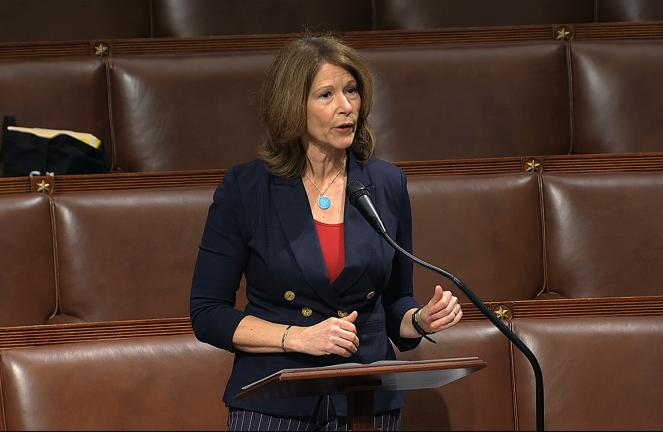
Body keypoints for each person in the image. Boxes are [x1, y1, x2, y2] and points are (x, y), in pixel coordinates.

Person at [190, 34, 463, 431]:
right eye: (326, 95)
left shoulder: (386, 184)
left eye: (351, 91)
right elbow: (207, 313)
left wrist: (420, 319)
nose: (346, 106)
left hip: (365, 398)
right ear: (292, 107)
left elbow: (394, 304)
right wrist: (298, 337)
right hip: (275, 399)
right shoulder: (247, 189)